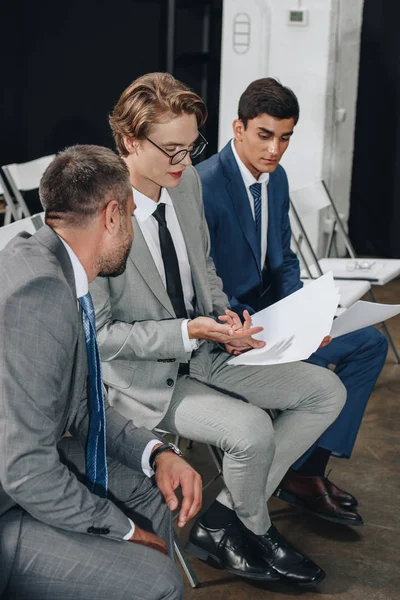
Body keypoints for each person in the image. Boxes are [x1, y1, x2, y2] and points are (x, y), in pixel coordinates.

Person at [89, 72, 347, 588]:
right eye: (172, 150)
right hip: (145, 378)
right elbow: (100, 336)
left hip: (210, 349)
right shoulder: (99, 215)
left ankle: (221, 520)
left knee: (325, 391)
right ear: (128, 143)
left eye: (192, 147)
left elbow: (203, 269)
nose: (186, 163)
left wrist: (227, 318)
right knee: (251, 430)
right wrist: (189, 332)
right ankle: (257, 526)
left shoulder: (184, 190)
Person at [0, 145, 204, 600]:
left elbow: (78, 407)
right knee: (160, 581)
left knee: (155, 493)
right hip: (10, 494)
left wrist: (156, 453)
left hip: (26, 462)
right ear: (113, 215)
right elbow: (25, 470)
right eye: (132, 216)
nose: (132, 228)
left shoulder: (51, 264)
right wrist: (124, 531)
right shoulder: (39, 294)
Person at [197, 77, 388, 528]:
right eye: (265, 135)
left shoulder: (275, 178)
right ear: (238, 127)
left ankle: (304, 472)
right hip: (234, 331)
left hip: (276, 318)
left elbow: (283, 258)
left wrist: (306, 313)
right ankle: (294, 477)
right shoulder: (203, 186)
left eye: (285, 138)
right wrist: (237, 328)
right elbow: (198, 282)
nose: (275, 150)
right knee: (318, 376)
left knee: (370, 345)